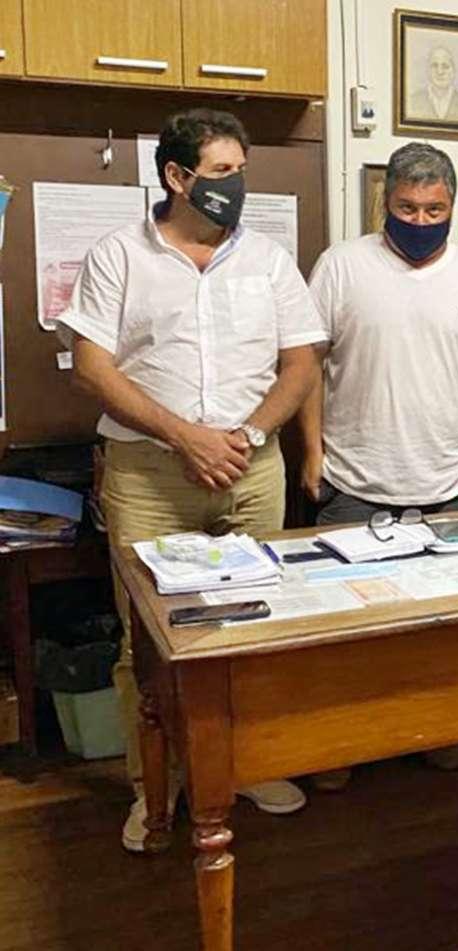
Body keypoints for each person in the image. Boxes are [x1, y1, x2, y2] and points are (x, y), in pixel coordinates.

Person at [58, 108, 325, 851]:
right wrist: (185, 437)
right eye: (221, 172)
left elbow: (301, 362)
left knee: (254, 627)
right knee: (149, 640)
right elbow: (91, 369)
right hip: (150, 473)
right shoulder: (119, 256)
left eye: (241, 170)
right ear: (177, 176)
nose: (236, 185)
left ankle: (245, 767)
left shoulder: (267, 259)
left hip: (251, 467)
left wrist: (249, 435)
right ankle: (154, 785)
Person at [298, 142, 458, 788]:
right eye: (407, 208)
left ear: (452, 207)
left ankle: (435, 733)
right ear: (385, 203)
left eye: (434, 209)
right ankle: (339, 747)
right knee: (345, 631)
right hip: (353, 478)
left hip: (447, 482)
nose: (421, 220)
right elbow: (308, 363)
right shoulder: (341, 266)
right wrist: (312, 450)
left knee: (439, 632)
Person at [407, 47, 458, 123]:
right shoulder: (412, 102)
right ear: (428, 70)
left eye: (445, 66)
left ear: (454, 71)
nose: (440, 72)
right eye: (434, 66)